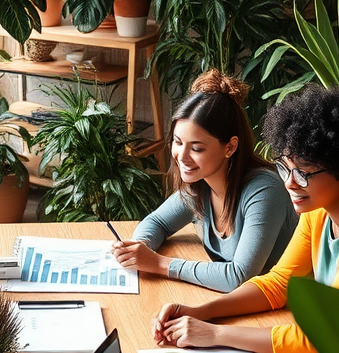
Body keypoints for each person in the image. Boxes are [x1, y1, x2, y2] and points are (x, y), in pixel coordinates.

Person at [153, 85, 339, 353]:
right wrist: (199, 311)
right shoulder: (319, 211)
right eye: (284, 168)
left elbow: (328, 337)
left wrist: (214, 334)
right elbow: (278, 284)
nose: (289, 183)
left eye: (303, 174)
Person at [112, 71, 296, 291]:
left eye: (197, 148)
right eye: (178, 142)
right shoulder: (200, 185)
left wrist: (157, 263)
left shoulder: (264, 191)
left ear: (230, 147)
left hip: (282, 310)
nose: (182, 156)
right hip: (236, 304)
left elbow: (239, 276)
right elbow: (157, 223)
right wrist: (139, 247)